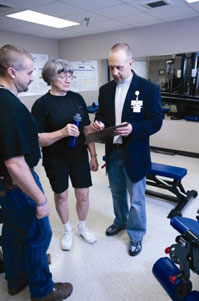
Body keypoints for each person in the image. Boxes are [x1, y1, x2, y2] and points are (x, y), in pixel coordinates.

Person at [0, 45, 73, 300]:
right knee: (39, 232)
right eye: (29, 72)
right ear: (12, 72)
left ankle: (16, 279)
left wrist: (61, 133)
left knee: (12, 232)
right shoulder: (9, 105)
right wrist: (40, 200)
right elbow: (15, 162)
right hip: (17, 182)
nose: (33, 77)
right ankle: (43, 290)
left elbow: (29, 137)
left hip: (5, 186)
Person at [92, 43, 163, 257]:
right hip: (113, 152)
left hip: (135, 152)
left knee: (137, 199)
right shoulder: (105, 90)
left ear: (131, 63)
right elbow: (102, 114)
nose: (115, 72)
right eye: (111, 67)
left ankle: (136, 234)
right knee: (116, 194)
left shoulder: (149, 89)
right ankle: (120, 222)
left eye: (119, 67)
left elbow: (156, 121)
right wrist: (99, 123)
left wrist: (134, 128)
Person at [31, 59, 98, 251]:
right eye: (63, 75)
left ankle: (82, 227)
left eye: (70, 75)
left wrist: (93, 155)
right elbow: (38, 139)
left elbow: (86, 130)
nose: (68, 79)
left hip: (78, 156)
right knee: (61, 196)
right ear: (51, 78)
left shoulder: (77, 99)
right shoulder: (41, 105)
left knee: (83, 195)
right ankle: (68, 230)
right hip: (55, 158)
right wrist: (62, 132)